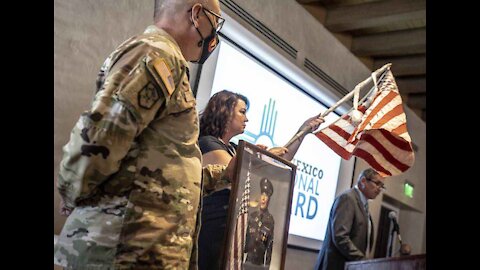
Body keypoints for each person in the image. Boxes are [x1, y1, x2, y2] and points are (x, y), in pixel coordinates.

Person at [54, 1, 229, 269]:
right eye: (215, 22)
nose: (215, 33)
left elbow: (164, 172)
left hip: (138, 252)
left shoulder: (167, 62)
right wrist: (72, 189)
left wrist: (226, 174)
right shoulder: (155, 55)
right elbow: (97, 139)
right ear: (196, 14)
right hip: (120, 251)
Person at [197, 90, 325, 269]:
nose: (247, 118)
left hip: (230, 233)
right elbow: (235, 173)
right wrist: (261, 156)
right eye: (242, 112)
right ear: (224, 112)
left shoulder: (234, 149)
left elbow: (280, 161)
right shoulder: (208, 143)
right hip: (213, 232)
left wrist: (302, 132)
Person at [314, 168, 386, 270]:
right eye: (377, 183)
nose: (379, 189)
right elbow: (340, 236)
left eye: (381, 186)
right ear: (363, 181)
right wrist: (362, 260)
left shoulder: (363, 205)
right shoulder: (348, 199)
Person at [243, 177, 275, 269]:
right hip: (247, 261)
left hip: (259, 264)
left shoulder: (270, 220)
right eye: (262, 194)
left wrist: (267, 266)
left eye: (266, 196)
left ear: (269, 199)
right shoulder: (253, 216)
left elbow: (269, 246)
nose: (263, 198)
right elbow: (245, 241)